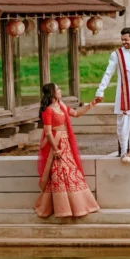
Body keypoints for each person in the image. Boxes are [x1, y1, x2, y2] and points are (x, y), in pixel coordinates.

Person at [34, 83, 100, 219]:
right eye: (57, 89)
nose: (60, 91)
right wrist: (55, 149)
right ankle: (62, 208)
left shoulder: (61, 106)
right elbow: (47, 132)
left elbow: (75, 113)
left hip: (66, 144)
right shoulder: (48, 110)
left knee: (71, 172)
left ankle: (79, 206)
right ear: (51, 93)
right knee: (59, 173)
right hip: (57, 144)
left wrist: (92, 104)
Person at [93, 27, 130, 163]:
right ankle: (124, 151)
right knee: (123, 124)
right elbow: (108, 73)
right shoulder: (116, 54)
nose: (123, 42)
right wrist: (100, 90)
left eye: (126, 40)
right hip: (123, 95)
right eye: (122, 40)